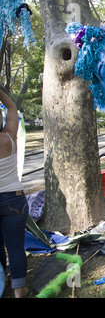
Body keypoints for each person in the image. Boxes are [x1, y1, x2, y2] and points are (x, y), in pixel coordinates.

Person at [0, 90, 29, 298]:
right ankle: (19, 291)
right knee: (16, 246)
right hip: (13, 197)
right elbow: (11, 107)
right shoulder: (9, 136)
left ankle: (2, 282)